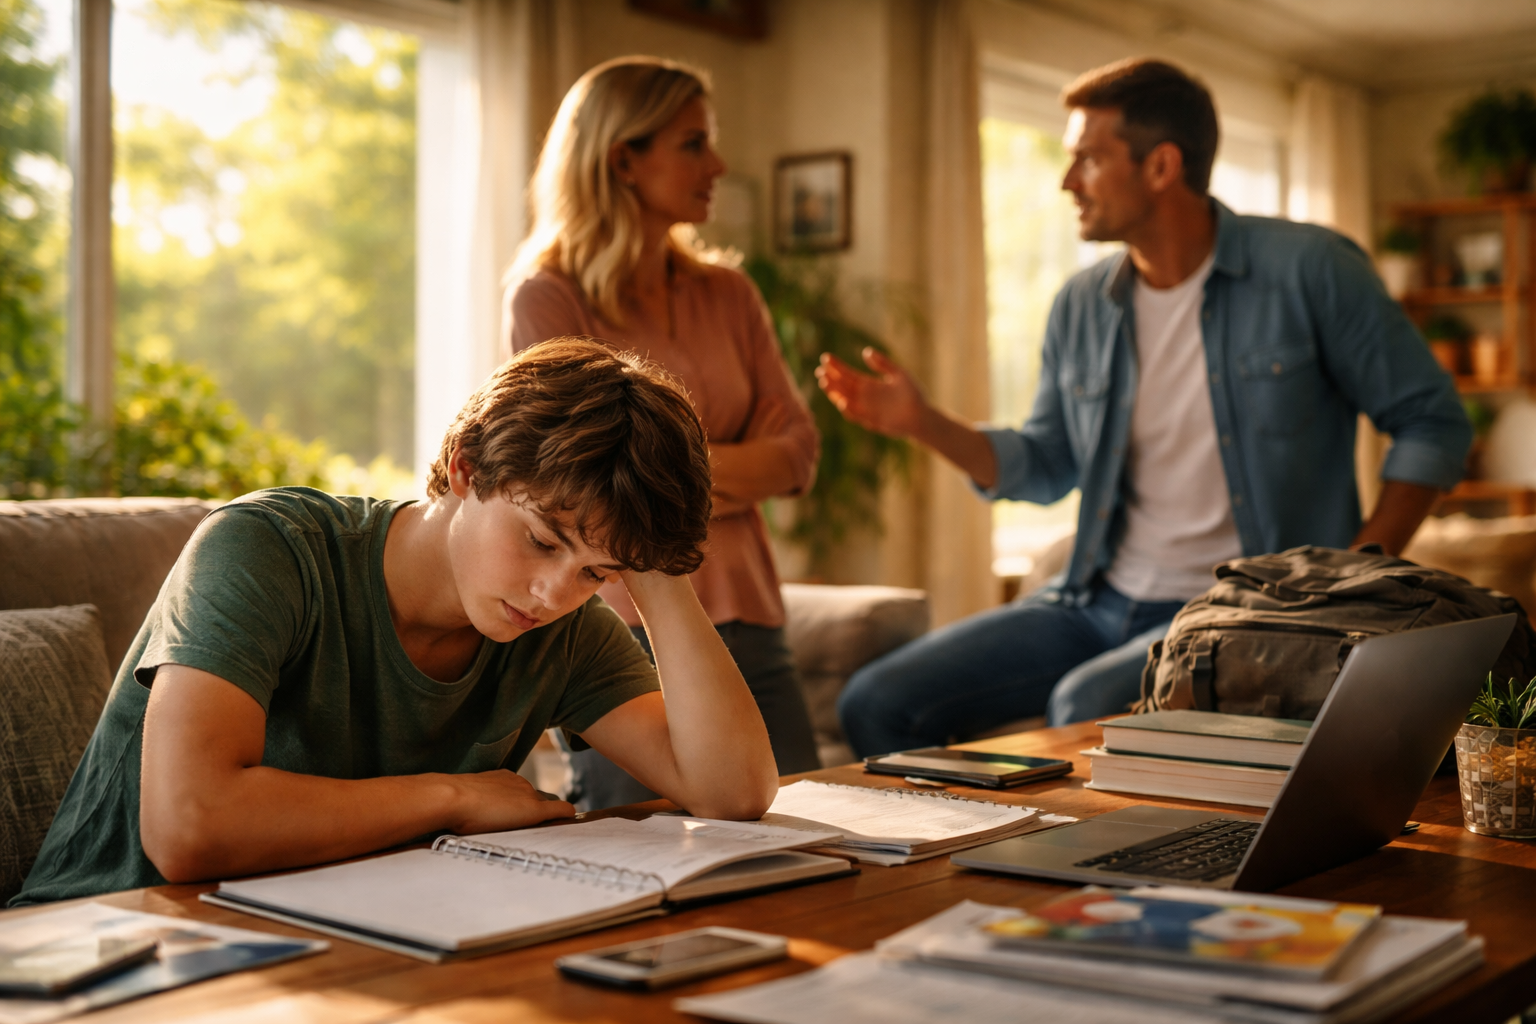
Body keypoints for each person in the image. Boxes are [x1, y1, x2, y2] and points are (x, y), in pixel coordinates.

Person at [818, 58, 1471, 757]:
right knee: (875, 702)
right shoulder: (1082, 306)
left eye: (1088, 160)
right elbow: (1046, 465)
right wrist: (923, 423)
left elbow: (1431, 419)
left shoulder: (1311, 270)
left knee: (1082, 707)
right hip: (1092, 601)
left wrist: (1355, 571)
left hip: (1245, 611)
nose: (1068, 182)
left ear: (1161, 165)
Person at [12, 338, 778, 906]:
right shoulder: (268, 549)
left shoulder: (558, 628)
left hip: (330, 941)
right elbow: (188, 828)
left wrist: (652, 568)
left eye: (595, 572)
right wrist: (455, 796)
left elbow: (732, 792)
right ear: (463, 468)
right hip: (108, 938)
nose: (552, 592)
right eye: (542, 539)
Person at [503, 56, 821, 810]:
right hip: (618, 624)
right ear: (623, 159)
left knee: (813, 824)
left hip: (750, 607)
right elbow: (579, 477)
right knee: (644, 853)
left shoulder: (730, 293)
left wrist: (653, 473)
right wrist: (738, 473)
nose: (718, 163)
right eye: (693, 143)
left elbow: (800, 451)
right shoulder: (546, 298)